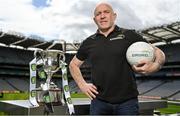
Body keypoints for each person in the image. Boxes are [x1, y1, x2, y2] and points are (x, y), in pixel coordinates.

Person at [69, 2, 165, 115]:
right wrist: (82, 84)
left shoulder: (129, 35)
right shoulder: (89, 42)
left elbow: (158, 51)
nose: (102, 16)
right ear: (95, 19)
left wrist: (156, 65)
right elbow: (73, 64)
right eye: (98, 14)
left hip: (127, 103)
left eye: (106, 12)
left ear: (114, 16)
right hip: (99, 103)